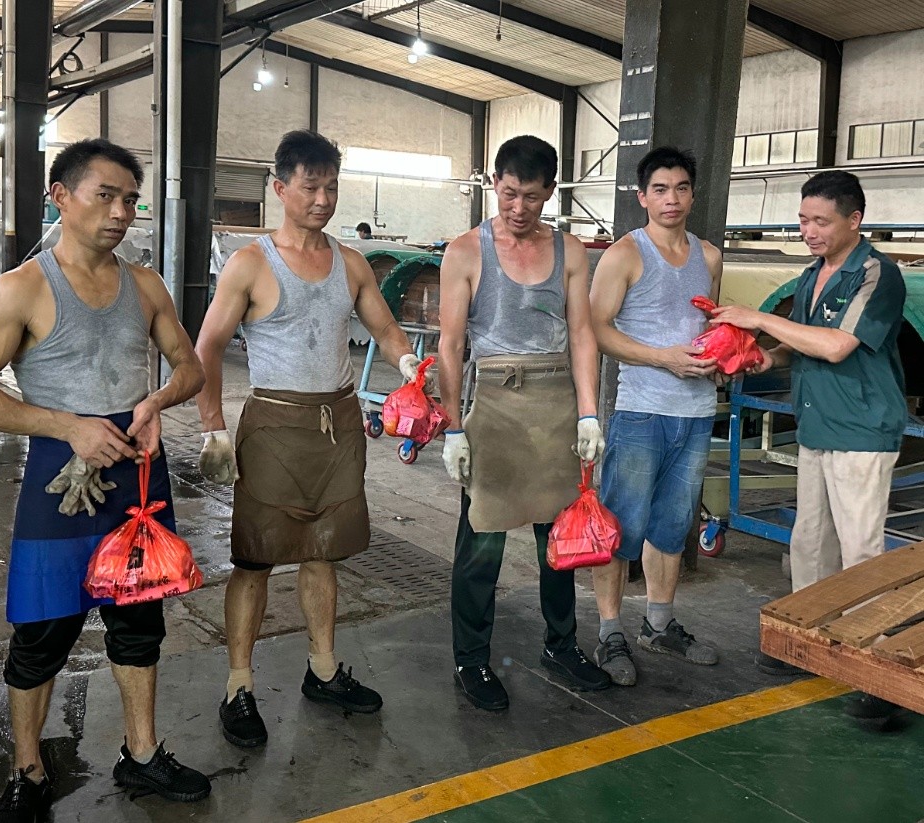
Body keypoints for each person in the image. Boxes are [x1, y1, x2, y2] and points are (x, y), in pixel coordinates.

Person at [0, 138, 210, 822]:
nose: (121, 212)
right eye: (106, 196)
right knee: (43, 631)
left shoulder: (145, 284)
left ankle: (142, 752)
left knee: (139, 623)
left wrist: (156, 402)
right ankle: (28, 770)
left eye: (131, 200)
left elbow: (190, 367)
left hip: (138, 478)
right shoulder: (24, 288)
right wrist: (68, 427)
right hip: (57, 480)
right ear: (61, 196)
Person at [194, 130, 423, 747]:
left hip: (338, 426)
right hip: (274, 425)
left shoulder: (351, 262)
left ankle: (322, 669)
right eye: (310, 187)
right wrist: (213, 427)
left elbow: (386, 329)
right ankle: (239, 685)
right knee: (255, 559)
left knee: (324, 552)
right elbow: (207, 347)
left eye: (331, 187)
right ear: (280, 188)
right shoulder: (251, 263)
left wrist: (407, 364)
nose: (323, 199)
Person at [711, 170, 907, 720]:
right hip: (818, 426)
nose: (809, 231)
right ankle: (808, 643)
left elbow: (838, 346)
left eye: (821, 221)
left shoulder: (877, 274)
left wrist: (757, 318)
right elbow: (798, 346)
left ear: (854, 220)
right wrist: (761, 357)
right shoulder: (811, 274)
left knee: (861, 549)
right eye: (802, 220)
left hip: (861, 430)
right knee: (811, 539)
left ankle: (875, 668)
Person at [437, 134, 611, 712]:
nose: (518, 208)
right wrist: (453, 427)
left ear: (550, 192)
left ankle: (561, 645)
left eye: (531, 197)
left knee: (559, 540)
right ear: (495, 183)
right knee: (481, 541)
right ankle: (471, 658)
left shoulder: (571, 251)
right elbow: (451, 345)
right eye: (509, 193)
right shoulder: (467, 251)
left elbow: (582, 334)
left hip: (556, 405)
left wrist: (589, 413)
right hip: (495, 405)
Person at [587, 146, 722, 688]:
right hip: (642, 411)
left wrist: (725, 355)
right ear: (642, 196)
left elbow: (709, 326)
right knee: (621, 526)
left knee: (672, 525)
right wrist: (664, 358)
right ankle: (609, 631)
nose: (672, 199)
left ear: (692, 194)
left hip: (697, 411)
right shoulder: (625, 254)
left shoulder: (709, 256)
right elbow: (597, 329)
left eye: (682, 188)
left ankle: (659, 624)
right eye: (660, 189)